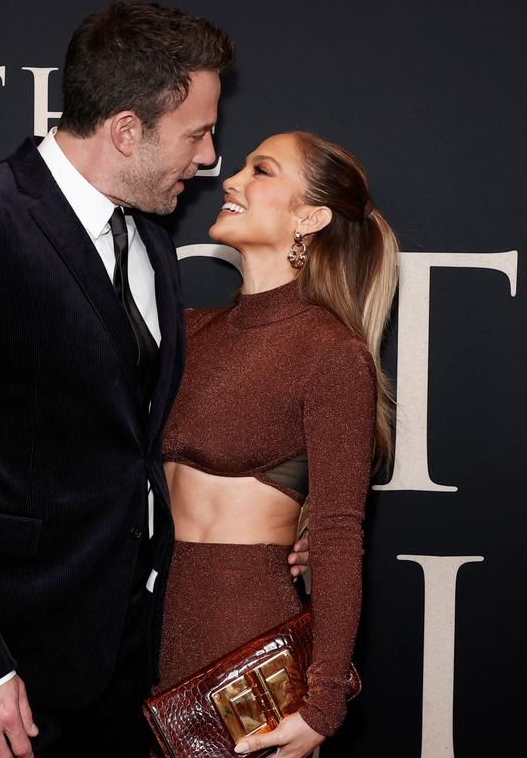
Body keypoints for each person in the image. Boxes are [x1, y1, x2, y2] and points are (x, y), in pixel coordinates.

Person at [0, 0, 238, 758]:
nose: (208, 158)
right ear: (126, 129)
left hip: (129, 657)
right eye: (198, 134)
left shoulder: (152, 242)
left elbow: (138, 434)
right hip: (8, 667)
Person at [158, 130, 399, 758]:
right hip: (147, 638)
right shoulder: (190, 332)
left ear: (311, 217)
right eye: (239, 168)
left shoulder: (332, 354)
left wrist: (322, 706)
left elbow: (342, 535)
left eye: (260, 171)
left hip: (244, 647)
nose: (231, 181)